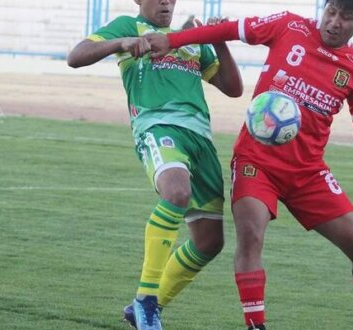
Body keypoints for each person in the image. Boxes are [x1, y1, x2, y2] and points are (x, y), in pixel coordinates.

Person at [144, 0, 353, 329]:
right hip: (256, 163)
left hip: (308, 172)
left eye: (346, 18)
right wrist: (173, 40)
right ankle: (256, 325)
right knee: (250, 236)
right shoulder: (289, 26)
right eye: (331, 12)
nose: (335, 22)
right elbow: (231, 29)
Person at [67, 0, 243, 329]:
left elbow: (233, 88)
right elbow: (75, 57)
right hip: (158, 128)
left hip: (201, 140)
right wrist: (121, 44)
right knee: (176, 192)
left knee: (210, 242)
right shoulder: (128, 27)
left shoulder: (189, 37)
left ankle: (145, 307)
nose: (166, 1)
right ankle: (147, 301)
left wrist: (217, 39)